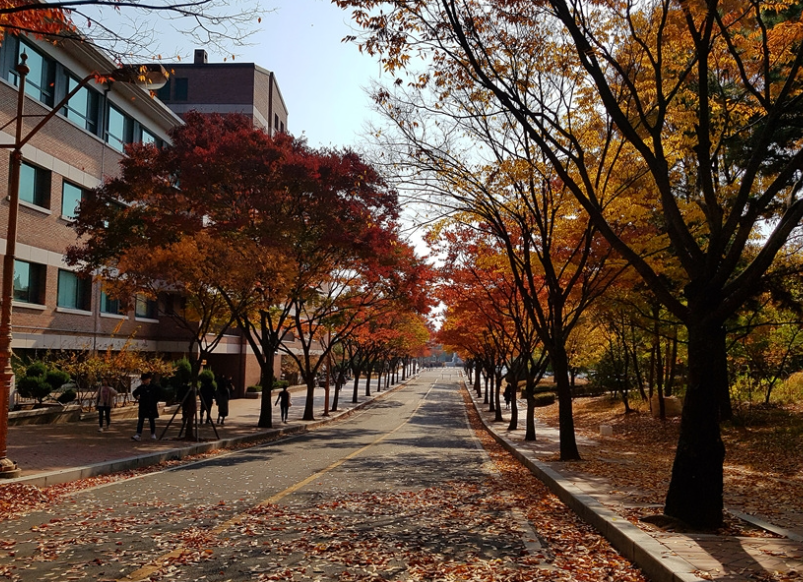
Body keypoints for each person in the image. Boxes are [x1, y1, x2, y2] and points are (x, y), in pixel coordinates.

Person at [132, 372, 160, 441]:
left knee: (151, 420)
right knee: (141, 420)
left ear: (149, 379)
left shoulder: (154, 387)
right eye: (143, 380)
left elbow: (158, 395)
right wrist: (138, 397)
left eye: (145, 379)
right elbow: (134, 393)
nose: (144, 381)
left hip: (151, 406)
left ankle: (153, 434)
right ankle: (138, 434)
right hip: (143, 406)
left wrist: (154, 401)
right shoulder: (141, 387)